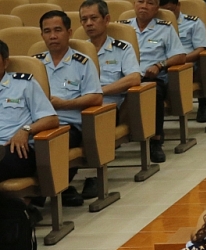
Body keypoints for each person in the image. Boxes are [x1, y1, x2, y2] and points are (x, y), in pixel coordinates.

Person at [36, 10, 104, 207]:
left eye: (58, 30)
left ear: (69, 32)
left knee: (48, 148)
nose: (53, 36)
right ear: (41, 35)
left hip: (69, 125)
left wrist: (64, 104)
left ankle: (39, 198)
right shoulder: (36, 63)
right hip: (39, 123)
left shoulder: (82, 63)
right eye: (47, 31)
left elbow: (96, 97)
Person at [79, 0, 141, 200]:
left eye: (93, 18)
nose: (88, 23)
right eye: (84, 19)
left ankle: (94, 175)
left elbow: (134, 78)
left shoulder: (122, 48)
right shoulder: (77, 53)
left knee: (89, 123)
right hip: (78, 107)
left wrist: (98, 92)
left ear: (106, 20)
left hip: (109, 107)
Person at [119, 0, 186, 163]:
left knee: (153, 92)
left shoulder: (165, 28)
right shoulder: (122, 28)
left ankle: (156, 140)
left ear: (157, 8)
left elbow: (180, 56)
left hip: (152, 77)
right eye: (140, 1)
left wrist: (160, 64)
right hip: (125, 78)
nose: (144, 6)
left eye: (150, 3)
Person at [0, 39, 59, 187]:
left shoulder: (24, 84)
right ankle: (13, 208)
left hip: (15, 150)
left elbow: (51, 119)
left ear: (5, 63)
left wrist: (26, 130)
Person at [159, 0, 206, 64]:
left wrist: (177, 60)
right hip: (158, 65)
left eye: (170, 10)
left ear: (178, 5)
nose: (168, 15)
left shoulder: (194, 23)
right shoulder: (156, 25)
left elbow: (200, 50)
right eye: (164, 12)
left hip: (184, 65)